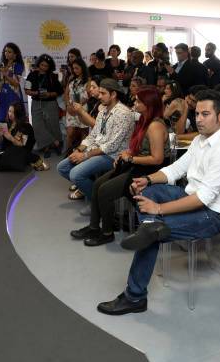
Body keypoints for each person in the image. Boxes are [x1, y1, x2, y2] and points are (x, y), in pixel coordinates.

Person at [97, 89, 220, 315]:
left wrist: (159, 209)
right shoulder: (200, 140)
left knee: (153, 234)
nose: (199, 119)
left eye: (205, 114)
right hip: (190, 198)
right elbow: (176, 169)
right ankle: (149, 225)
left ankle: (134, 297)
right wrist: (147, 178)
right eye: (197, 114)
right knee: (150, 192)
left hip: (213, 216)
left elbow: (204, 198)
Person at [73, 86, 170, 245]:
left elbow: (157, 159)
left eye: (139, 101)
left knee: (104, 190)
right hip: (138, 165)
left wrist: (131, 159)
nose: (135, 103)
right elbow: (139, 149)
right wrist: (126, 156)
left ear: (149, 104)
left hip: (150, 172)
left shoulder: (155, 126)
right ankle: (94, 227)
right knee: (98, 183)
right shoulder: (144, 120)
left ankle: (107, 232)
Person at [57, 78, 134, 214]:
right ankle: (96, 196)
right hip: (98, 150)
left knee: (75, 174)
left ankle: (97, 202)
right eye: (100, 93)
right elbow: (94, 135)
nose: (99, 96)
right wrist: (79, 149)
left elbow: (112, 146)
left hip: (113, 156)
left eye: (103, 93)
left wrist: (85, 155)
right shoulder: (103, 110)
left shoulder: (123, 113)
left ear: (114, 94)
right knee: (62, 167)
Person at [0, 102, 41, 171]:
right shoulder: (6, 123)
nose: (10, 114)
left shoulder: (25, 126)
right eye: (9, 111)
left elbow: (21, 144)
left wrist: (10, 137)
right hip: (9, 149)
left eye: (13, 112)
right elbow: (1, 142)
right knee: (6, 155)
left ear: (18, 113)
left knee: (8, 157)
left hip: (22, 150)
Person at [25, 54, 63, 158]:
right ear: (38, 64)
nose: (43, 67)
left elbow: (59, 91)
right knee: (37, 125)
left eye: (46, 66)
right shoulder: (31, 75)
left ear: (50, 66)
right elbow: (27, 90)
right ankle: (56, 143)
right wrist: (36, 93)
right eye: (42, 65)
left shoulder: (53, 76)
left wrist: (49, 94)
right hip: (37, 102)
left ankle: (49, 147)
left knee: (52, 125)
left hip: (50, 102)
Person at [64, 58, 91, 154]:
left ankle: (81, 153)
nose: (75, 70)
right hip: (71, 108)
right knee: (70, 133)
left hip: (82, 108)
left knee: (84, 132)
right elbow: (66, 94)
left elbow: (88, 96)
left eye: (77, 68)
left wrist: (78, 107)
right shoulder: (71, 78)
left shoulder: (88, 80)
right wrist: (68, 105)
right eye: (73, 68)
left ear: (82, 68)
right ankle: (68, 153)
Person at [0, 43, 25, 126]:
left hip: (13, 95)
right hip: (3, 96)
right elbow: (0, 81)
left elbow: (15, 83)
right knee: (3, 118)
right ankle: (5, 138)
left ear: (15, 54)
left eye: (9, 52)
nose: (6, 53)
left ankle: (16, 138)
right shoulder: (3, 65)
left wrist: (5, 74)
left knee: (14, 118)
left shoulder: (18, 66)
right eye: (5, 51)